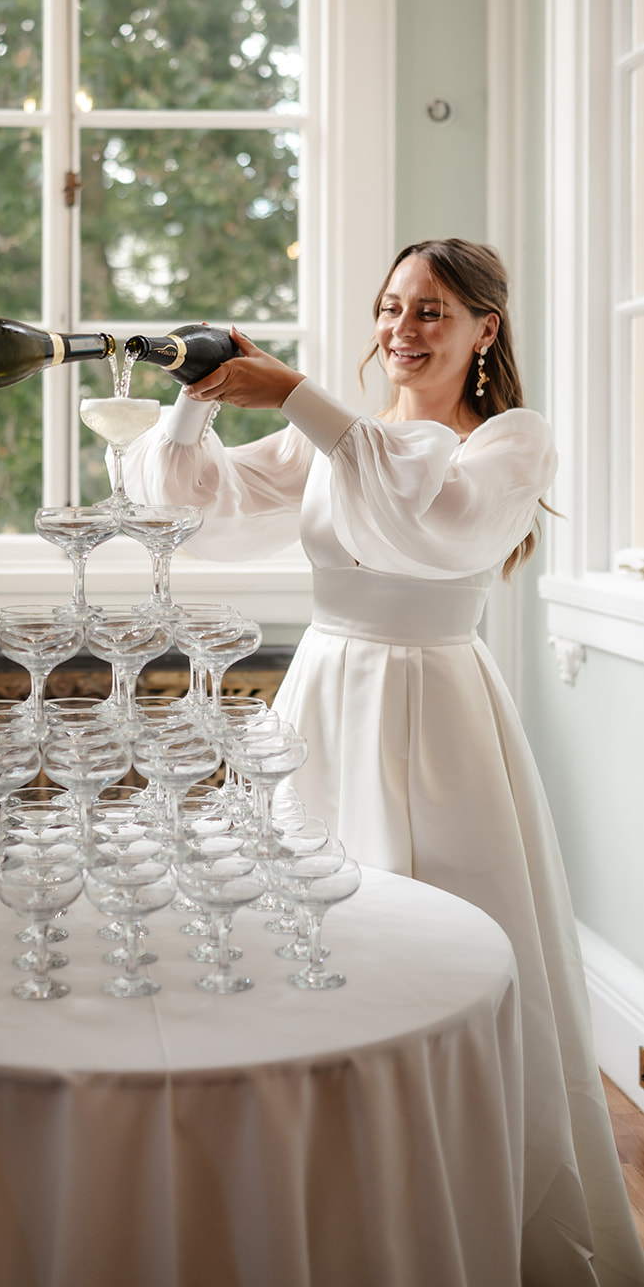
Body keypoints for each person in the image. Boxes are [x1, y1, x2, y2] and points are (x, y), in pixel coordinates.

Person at [122, 238, 644, 1287]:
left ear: (485, 330)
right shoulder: (339, 440)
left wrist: (302, 394)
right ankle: (314, 1191)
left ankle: (449, 1200)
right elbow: (190, 506)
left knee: (445, 949)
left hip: (438, 710)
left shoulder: (508, 441)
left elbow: (430, 522)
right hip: (323, 694)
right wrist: (197, 393)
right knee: (300, 934)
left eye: (432, 313)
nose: (401, 332)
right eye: (392, 307)